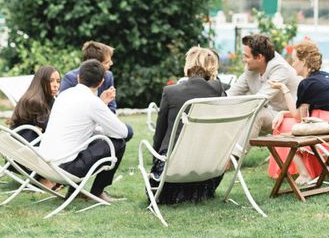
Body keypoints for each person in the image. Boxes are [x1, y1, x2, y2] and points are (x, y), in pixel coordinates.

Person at [39, 59, 133, 202]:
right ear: (101, 82)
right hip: (64, 169)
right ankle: (97, 192)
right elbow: (123, 133)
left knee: (92, 141)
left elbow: (80, 124)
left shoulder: (64, 95)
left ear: (78, 77)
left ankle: (75, 192)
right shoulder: (92, 102)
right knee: (118, 143)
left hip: (44, 162)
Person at [269, 40, 329, 181]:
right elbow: (305, 114)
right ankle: (312, 170)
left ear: (304, 61)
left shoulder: (307, 83)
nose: (292, 64)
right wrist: (282, 113)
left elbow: (298, 117)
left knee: (283, 127)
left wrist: (284, 89)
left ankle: (305, 174)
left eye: (294, 60)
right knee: (288, 122)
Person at [150, 46, 226, 204]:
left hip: (169, 178)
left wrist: (155, 158)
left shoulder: (171, 92)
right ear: (212, 67)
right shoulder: (218, 90)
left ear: (188, 65)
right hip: (207, 175)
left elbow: (160, 133)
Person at [227, 34, 299, 152]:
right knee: (227, 109)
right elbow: (232, 93)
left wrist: (239, 108)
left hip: (290, 116)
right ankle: (217, 157)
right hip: (273, 115)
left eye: (246, 56)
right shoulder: (251, 69)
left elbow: (259, 100)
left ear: (259, 57)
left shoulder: (280, 68)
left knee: (258, 114)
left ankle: (233, 159)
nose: (243, 60)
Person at [60, 41, 117, 113]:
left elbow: (112, 109)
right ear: (95, 65)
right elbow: (65, 109)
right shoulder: (70, 79)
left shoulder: (108, 76)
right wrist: (100, 103)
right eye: (106, 62)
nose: (111, 63)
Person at [8, 65, 60, 143]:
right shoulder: (34, 101)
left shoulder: (49, 99)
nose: (56, 85)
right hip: (23, 141)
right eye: (51, 80)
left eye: (58, 81)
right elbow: (51, 126)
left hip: (32, 140)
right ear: (41, 82)